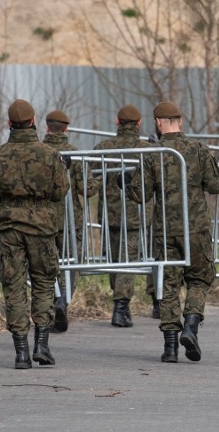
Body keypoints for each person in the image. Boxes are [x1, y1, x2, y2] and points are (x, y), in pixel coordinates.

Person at [125, 101, 219, 363]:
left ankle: (170, 348)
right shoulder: (199, 149)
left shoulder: (153, 154)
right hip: (197, 227)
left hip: (166, 229)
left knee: (168, 285)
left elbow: (139, 194)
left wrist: (125, 180)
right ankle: (191, 325)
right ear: (180, 120)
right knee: (199, 279)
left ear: (158, 122)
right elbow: (215, 185)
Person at [0, 99, 70, 369]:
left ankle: (21, 352)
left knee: (14, 287)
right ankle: (41, 345)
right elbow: (60, 190)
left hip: (10, 227)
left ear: (9, 124)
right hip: (42, 226)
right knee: (44, 283)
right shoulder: (49, 153)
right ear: (33, 121)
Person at [93, 104, 156, 327]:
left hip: (110, 214)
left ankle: (120, 302)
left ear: (118, 122)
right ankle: (121, 306)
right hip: (137, 214)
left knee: (114, 260)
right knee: (129, 260)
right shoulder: (148, 149)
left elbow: (90, 179)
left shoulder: (104, 147)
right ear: (138, 124)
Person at [42, 109, 94, 333]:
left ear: (46, 127)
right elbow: (88, 189)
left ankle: (51, 305)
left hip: (42, 217)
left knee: (46, 264)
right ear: (66, 129)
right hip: (71, 218)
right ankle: (63, 298)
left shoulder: (39, 152)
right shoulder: (76, 153)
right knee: (72, 261)